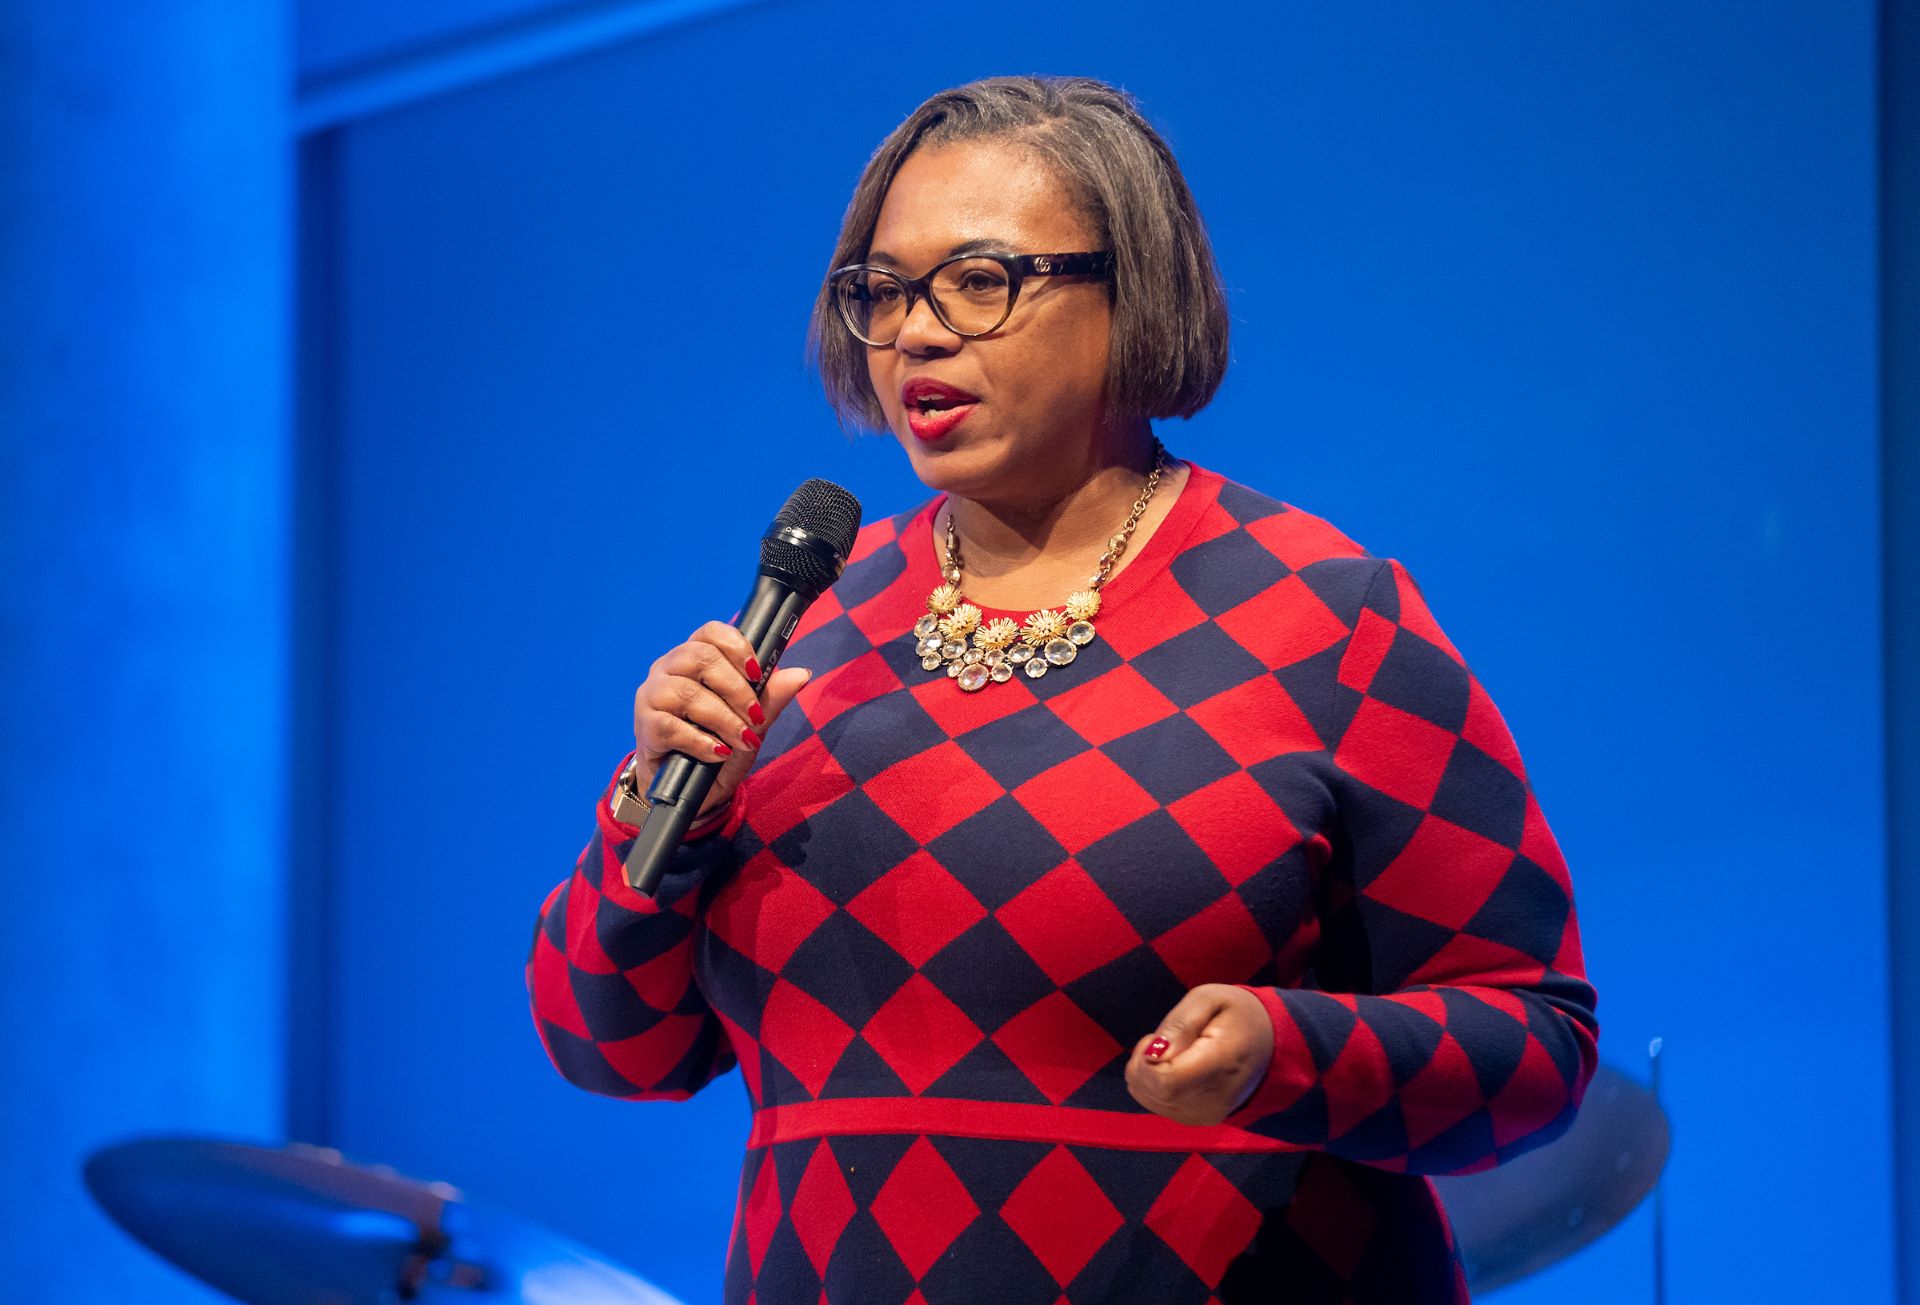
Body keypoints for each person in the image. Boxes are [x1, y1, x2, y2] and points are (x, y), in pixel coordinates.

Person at [528, 75, 1597, 1305]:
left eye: (980, 282)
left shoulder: (1327, 617)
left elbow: (1537, 1048)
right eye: (880, 292)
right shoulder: (809, 624)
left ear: (1133, 291)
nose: (916, 334)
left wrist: (1290, 1054)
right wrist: (655, 816)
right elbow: (610, 1045)